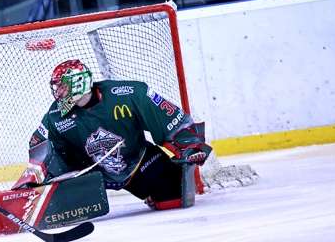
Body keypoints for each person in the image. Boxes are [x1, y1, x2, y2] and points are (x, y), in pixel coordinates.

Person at [15, 59, 212, 210]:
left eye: (62, 86)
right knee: (60, 212)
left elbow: (168, 118)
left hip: (138, 162)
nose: (58, 92)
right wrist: (34, 179)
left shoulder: (128, 94)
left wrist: (190, 144)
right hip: (90, 172)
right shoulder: (55, 116)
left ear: (78, 84)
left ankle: (154, 189)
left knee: (174, 199)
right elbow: (41, 147)